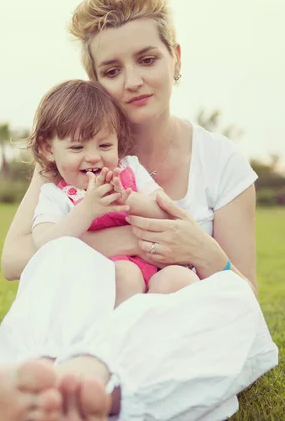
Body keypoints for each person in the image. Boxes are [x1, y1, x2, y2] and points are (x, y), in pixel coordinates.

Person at [0, 0, 278, 421]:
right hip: (90, 313)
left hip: (169, 328)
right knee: (62, 257)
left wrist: (204, 253)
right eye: (112, 70)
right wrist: (116, 236)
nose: (133, 80)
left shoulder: (223, 163)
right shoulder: (73, 157)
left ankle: (67, 407)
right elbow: (16, 260)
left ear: (175, 59)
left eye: (147, 59)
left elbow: (246, 298)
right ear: (94, 80)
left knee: (228, 301)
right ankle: (63, 402)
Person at [29, 78, 199, 306]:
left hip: (155, 271)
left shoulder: (130, 169)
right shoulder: (55, 195)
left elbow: (169, 213)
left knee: (182, 279)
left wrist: (129, 198)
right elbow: (45, 246)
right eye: (77, 147)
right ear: (48, 149)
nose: (93, 156)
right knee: (124, 274)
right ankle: (121, 337)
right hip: (96, 282)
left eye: (105, 145)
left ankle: (165, 336)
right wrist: (87, 209)